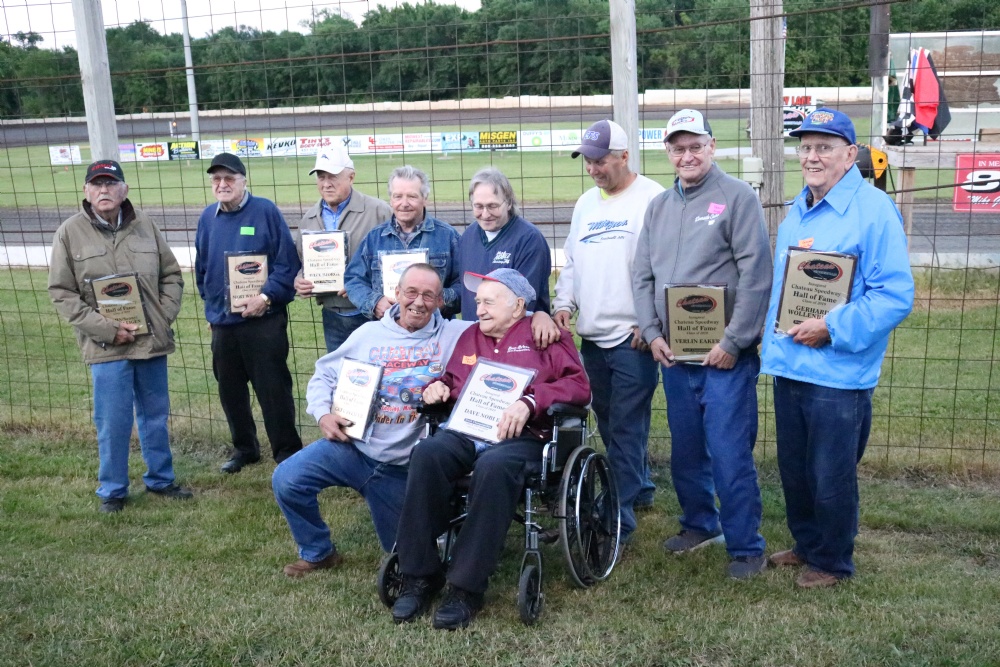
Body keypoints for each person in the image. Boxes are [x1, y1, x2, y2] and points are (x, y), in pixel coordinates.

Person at [761, 108, 914, 588]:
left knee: (830, 476)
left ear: (850, 154)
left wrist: (832, 327)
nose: (812, 156)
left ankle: (832, 559)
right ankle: (807, 543)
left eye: (824, 147)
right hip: (792, 363)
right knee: (795, 470)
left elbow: (894, 295)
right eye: (805, 147)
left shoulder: (873, 210)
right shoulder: (798, 206)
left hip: (838, 372)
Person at [391, 269, 590, 630]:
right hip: (470, 429)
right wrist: (436, 388)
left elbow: (579, 387)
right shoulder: (471, 336)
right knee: (427, 454)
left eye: (488, 302)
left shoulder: (544, 334)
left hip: (527, 437)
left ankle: (465, 587)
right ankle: (419, 574)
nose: (478, 309)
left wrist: (532, 401)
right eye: (478, 301)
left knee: (494, 467)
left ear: (517, 306)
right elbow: (453, 380)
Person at [633, 109, 773, 580]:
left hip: (724, 357)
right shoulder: (658, 206)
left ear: (712, 146)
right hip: (674, 356)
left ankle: (746, 546)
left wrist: (735, 341)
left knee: (729, 451)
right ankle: (699, 523)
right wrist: (652, 333)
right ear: (668, 152)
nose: (687, 155)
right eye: (678, 147)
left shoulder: (736, 198)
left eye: (696, 146)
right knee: (686, 448)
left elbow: (757, 275)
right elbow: (642, 276)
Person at [272, 264, 471, 576]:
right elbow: (324, 374)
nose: (418, 302)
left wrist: (541, 316)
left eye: (428, 295)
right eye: (411, 292)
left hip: (405, 469)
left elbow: (506, 321)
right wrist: (323, 414)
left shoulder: (456, 336)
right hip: (353, 449)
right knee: (287, 479)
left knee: (406, 559)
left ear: (439, 302)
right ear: (396, 293)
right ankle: (318, 552)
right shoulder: (367, 335)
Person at [48, 160, 191, 513]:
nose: (104, 190)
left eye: (111, 183)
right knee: (112, 421)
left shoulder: (146, 226)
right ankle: (113, 489)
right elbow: (62, 293)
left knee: (154, 416)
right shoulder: (69, 233)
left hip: (151, 343)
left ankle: (161, 479)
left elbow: (171, 275)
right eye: (96, 184)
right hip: (106, 346)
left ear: (123, 189)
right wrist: (109, 329)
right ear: (86, 191)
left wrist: (163, 315)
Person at [552, 118, 664, 542]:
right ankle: (642, 487)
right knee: (609, 416)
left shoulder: (652, 198)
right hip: (593, 336)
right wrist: (564, 302)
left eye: (601, 160)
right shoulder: (586, 204)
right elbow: (574, 262)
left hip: (633, 338)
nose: (594, 169)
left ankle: (617, 520)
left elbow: (664, 266)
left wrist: (651, 321)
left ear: (624, 156)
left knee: (625, 426)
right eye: (588, 161)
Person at [194, 152, 303, 474]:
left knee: (273, 388)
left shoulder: (265, 211)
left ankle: (287, 451)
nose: (222, 184)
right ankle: (245, 449)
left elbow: (287, 264)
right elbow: (203, 269)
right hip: (224, 323)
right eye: (217, 179)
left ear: (244, 181)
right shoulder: (207, 218)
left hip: (263, 321)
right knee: (230, 390)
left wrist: (266, 297)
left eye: (229, 179)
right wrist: (212, 309)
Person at [293, 147, 392, 353]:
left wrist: (360, 286)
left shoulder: (379, 211)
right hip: (333, 316)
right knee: (341, 379)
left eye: (333, 176)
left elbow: (397, 260)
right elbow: (304, 264)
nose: (326, 183)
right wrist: (300, 279)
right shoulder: (309, 220)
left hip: (372, 313)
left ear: (351, 176)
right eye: (321, 177)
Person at [344, 165, 461, 320]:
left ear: (424, 199)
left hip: (436, 330)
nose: (404, 203)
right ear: (391, 200)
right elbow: (353, 279)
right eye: (398, 196)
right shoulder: (374, 238)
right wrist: (374, 302)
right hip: (388, 330)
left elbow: (463, 284)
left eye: (412, 196)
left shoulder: (447, 236)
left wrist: (440, 299)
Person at [457, 167, 551, 319]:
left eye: (492, 206)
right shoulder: (468, 236)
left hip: (513, 336)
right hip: (474, 334)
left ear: (508, 203)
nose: (485, 214)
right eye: (479, 206)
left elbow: (525, 301)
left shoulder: (529, 239)